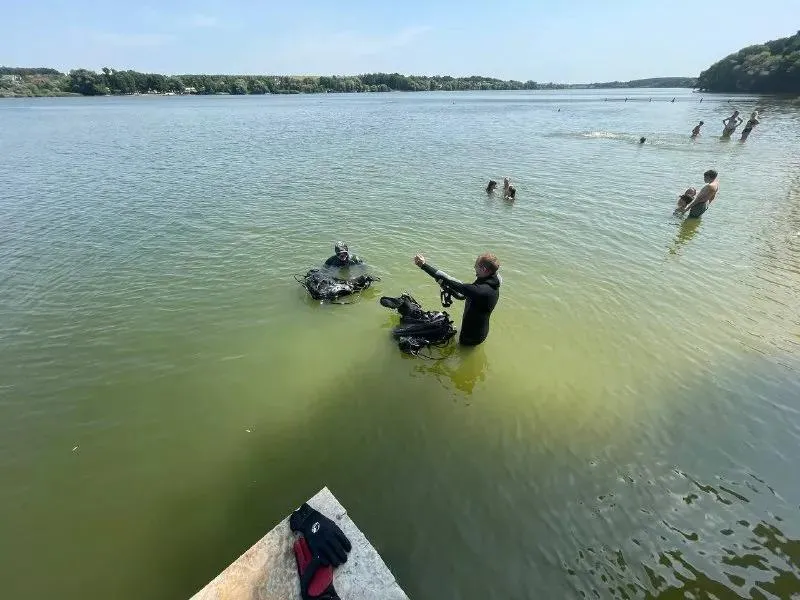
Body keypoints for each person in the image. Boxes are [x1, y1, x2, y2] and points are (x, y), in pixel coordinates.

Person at [413, 252, 501, 346]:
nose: (474, 268)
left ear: (484, 269)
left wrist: (423, 266)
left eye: (476, 266)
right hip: (480, 330)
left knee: (461, 351)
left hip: (471, 337)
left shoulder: (480, 291)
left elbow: (450, 281)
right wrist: (424, 265)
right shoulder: (495, 280)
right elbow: (462, 292)